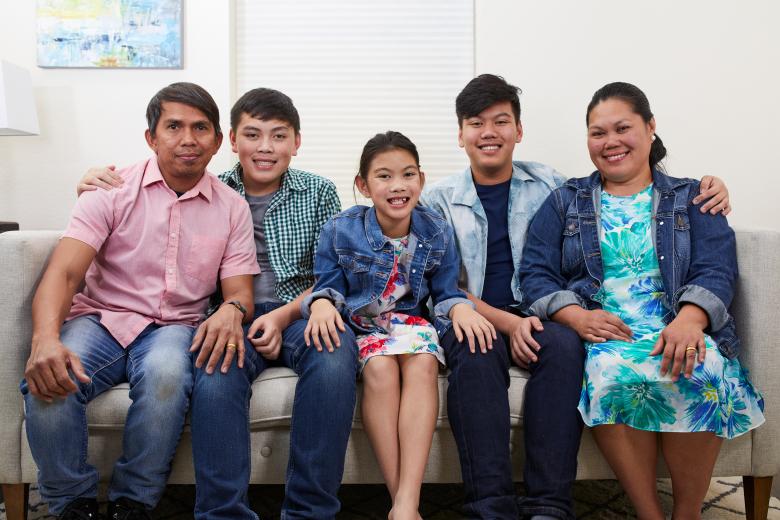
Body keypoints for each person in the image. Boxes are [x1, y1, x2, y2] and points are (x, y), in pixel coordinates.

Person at [420, 74, 733, 520]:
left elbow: (699, 250)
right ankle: (490, 507)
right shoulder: (440, 200)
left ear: (519, 131)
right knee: (477, 348)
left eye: (501, 121)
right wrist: (530, 320)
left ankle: (550, 505)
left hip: (545, 316)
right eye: (476, 123)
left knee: (566, 347)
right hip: (480, 315)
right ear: (460, 133)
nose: (489, 132)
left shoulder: (551, 185)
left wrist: (713, 186)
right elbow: (448, 281)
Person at [78, 88, 355, 520]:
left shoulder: (319, 192)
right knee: (214, 368)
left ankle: (310, 510)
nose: (265, 147)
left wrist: (294, 313)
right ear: (231, 140)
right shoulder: (211, 187)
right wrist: (86, 184)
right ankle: (222, 512)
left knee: (336, 353)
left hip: (298, 311)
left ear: (297, 142)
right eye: (253, 135)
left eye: (279, 136)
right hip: (231, 315)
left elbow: (332, 270)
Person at [519, 81, 765, 520]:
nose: (610, 142)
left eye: (622, 128)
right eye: (598, 133)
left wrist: (691, 319)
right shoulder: (565, 201)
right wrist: (575, 316)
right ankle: (650, 515)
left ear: (650, 129)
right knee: (609, 372)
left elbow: (717, 266)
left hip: (679, 323)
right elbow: (534, 272)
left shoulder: (693, 196)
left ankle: (686, 513)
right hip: (608, 334)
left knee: (701, 365)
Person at [21, 82, 259, 520]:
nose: (188, 139)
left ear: (217, 141)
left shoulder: (231, 207)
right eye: (173, 126)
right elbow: (65, 272)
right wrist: (45, 338)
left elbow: (239, 291)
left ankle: (134, 502)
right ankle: (71, 504)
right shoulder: (110, 189)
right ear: (151, 137)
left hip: (175, 326)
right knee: (51, 377)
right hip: (102, 318)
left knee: (167, 374)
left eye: (200, 128)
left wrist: (232, 310)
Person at [303, 131, 495, 520]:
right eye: (384, 176)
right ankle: (402, 503)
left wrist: (459, 307)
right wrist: (321, 304)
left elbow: (446, 291)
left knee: (423, 363)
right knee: (381, 370)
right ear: (363, 184)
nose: (398, 186)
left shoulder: (435, 229)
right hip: (363, 325)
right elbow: (327, 288)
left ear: (421, 180)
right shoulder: (341, 228)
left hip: (410, 321)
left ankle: (407, 502)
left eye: (407, 175)